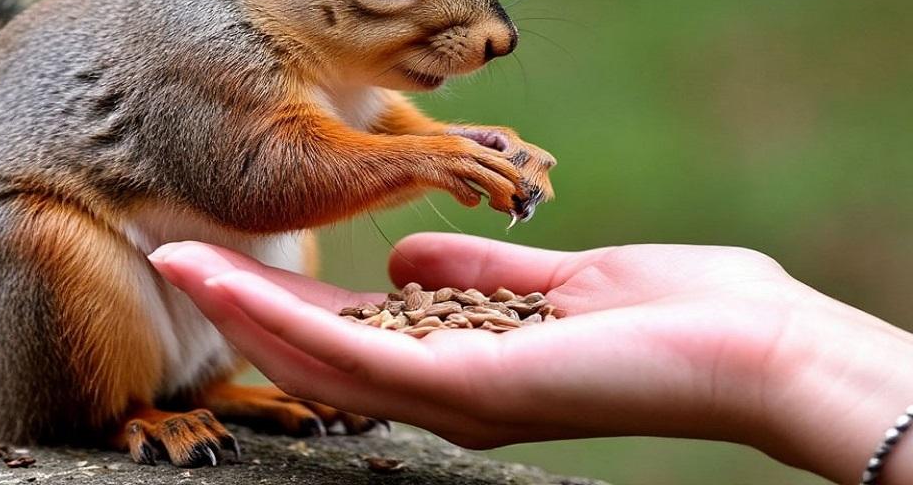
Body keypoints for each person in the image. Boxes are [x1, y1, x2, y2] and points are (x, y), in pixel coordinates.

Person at [150, 233, 913, 484]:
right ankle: (125, 410)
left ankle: (217, 390)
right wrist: (427, 162)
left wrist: (780, 354)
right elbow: (264, 172)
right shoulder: (222, 71)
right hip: (87, 240)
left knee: (269, 262)